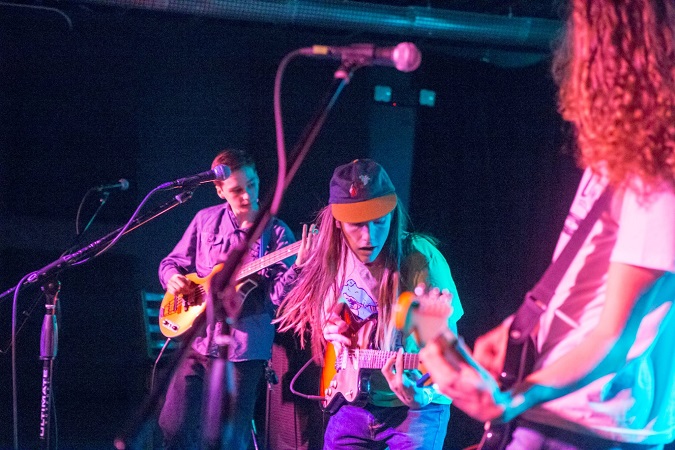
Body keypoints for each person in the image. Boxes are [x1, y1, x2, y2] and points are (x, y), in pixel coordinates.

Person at [420, 1, 675, 449]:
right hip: (558, 408)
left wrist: (519, 396)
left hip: (592, 422)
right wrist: (522, 332)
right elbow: (588, 286)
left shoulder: (659, 179)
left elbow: (614, 336)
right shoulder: (625, 157)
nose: (573, 48)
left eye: (586, 30)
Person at [275, 158, 464, 450]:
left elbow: (448, 355)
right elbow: (322, 314)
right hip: (351, 403)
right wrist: (332, 331)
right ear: (337, 222)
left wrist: (424, 394)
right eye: (357, 225)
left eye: (379, 222)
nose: (369, 237)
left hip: (415, 410)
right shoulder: (331, 257)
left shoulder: (421, 261)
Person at [157, 148, 308, 449]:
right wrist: (172, 278)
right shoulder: (204, 221)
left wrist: (298, 268)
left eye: (252, 184)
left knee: (225, 439)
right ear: (219, 190)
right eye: (237, 190)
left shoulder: (276, 234)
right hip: (197, 339)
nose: (248, 195)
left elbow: (277, 302)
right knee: (171, 426)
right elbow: (170, 263)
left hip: (243, 350)